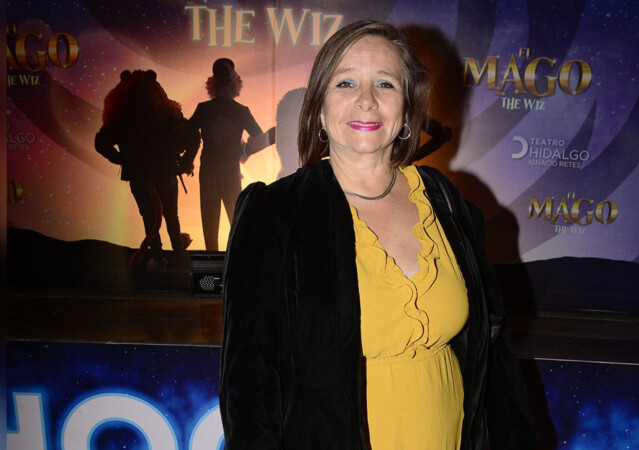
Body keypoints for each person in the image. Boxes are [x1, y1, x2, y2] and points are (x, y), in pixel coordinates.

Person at [219, 20, 537, 449]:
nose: (366, 99)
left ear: (407, 109)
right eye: (346, 82)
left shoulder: (448, 204)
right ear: (319, 108)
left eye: (385, 84)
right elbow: (247, 386)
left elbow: (494, 356)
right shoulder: (275, 213)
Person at [95, 69, 198, 269]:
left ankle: (158, 258)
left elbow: (101, 143)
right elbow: (193, 135)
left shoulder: (121, 117)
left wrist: (123, 160)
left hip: (140, 177)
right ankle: (177, 257)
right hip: (164, 174)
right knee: (170, 215)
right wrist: (186, 161)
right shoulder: (168, 114)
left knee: (150, 218)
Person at [189, 58, 275, 251]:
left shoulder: (204, 109)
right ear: (235, 83)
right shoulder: (241, 111)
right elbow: (260, 138)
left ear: (213, 83)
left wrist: (187, 159)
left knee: (211, 228)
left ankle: (214, 266)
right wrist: (244, 151)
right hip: (230, 174)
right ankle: (239, 264)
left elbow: (187, 134)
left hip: (209, 173)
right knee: (237, 225)